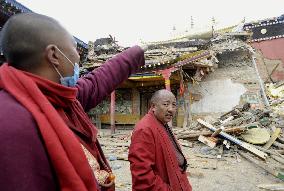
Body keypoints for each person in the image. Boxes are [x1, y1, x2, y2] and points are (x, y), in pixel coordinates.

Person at [0, 13, 145, 191]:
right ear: (54, 55)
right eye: (76, 49)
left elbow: (98, 81)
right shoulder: (10, 121)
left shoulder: (62, 98)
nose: (78, 57)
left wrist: (137, 52)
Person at [128, 89, 192, 191]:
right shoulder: (145, 129)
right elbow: (143, 177)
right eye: (166, 104)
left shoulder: (162, 124)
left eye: (174, 105)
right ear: (153, 107)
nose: (171, 109)